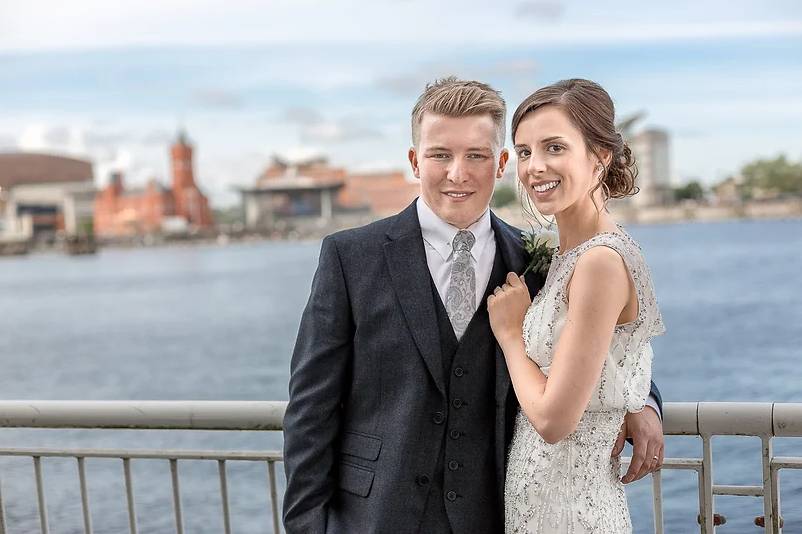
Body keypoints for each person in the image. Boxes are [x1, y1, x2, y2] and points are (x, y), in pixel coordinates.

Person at [282, 77, 664, 534]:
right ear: (414, 161)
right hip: (375, 516)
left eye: (476, 156)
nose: (457, 173)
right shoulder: (350, 257)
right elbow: (310, 407)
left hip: (494, 515)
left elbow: (601, 347)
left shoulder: (535, 259)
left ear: (501, 163)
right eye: (440, 154)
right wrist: (308, 527)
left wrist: (645, 405)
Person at [487, 78, 665, 533]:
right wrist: (636, 402)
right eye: (524, 152)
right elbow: (616, 361)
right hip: (540, 504)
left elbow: (552, 419)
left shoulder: (600, 263)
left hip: (571, 512)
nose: (534, 167)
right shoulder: (570, 255)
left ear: (600, 156)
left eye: (554, 147)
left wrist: (510, 336)